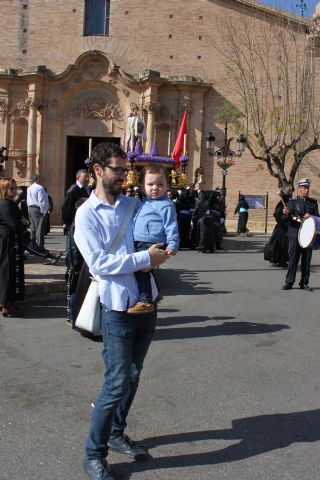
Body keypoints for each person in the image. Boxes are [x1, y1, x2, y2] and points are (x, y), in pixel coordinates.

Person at [74, 142, 169, 480]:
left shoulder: (133, 204)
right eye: (117, 169)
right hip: (117, 307)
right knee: (116, 381)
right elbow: (99, 264)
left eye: (126, 170)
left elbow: (153, 233)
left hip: (148, 301)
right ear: (98, 170)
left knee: (133, 374)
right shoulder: (86, 215)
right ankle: (93, 453)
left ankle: (116, 432)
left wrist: (165, 242)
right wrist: (145, 259)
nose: (124, 176)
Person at [127, 164, 179, 314]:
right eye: (150, 184)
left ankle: (145, 301)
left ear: (167, 186)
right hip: (142, 241)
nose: (155, 188)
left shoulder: (166, 205)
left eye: (160, 184)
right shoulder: (144, 203)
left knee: (140, 269)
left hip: (152, 242)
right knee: (148, 271)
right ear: (142, 186)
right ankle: (156, 293)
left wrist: (173, 245)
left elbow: (172, 226)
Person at [282, 178, 319, 291]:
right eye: (304, 188)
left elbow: (318, 218)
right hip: (295, 234)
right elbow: (287, 219)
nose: (306, 190)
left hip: (308, 236)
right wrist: (286, 214)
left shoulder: (312, 203)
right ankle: (289, 282)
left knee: (306, 260)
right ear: (299, 189)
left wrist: (311, 216)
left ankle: (304, 282)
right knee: (293, 259)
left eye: (308, 188)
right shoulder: (292, 202)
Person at [0, 178, 26, 317]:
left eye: (15, 187)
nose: (14, 190)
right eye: (11, 188)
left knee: (7, 272)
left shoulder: (9, 203)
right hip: (8, 242)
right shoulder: (5, 204)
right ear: (4, 189)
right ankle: (6, 305)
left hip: (10, 241)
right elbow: (16, 224)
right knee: (7, 272)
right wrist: (24, 222)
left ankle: (7, 303)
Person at [65, 197, 87, 325]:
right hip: (76, 265)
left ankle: (75, 316)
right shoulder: (76, 225)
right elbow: (72, 249)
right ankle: (72, 317)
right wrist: (76, 267)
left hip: (79, 264)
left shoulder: (79, 223)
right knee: (74, 291)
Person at [27, 174, 49, 252]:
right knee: (40, 229)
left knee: (32, 228)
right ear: (39, 179)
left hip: (30, 208)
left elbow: (28, 200)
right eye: (43, 179)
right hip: (38, 209)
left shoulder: (30, 187)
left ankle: (33, 246)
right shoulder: (40, 188)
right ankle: (40, 247)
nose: (44, 181)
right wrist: (44, 211)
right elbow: (42, 201)